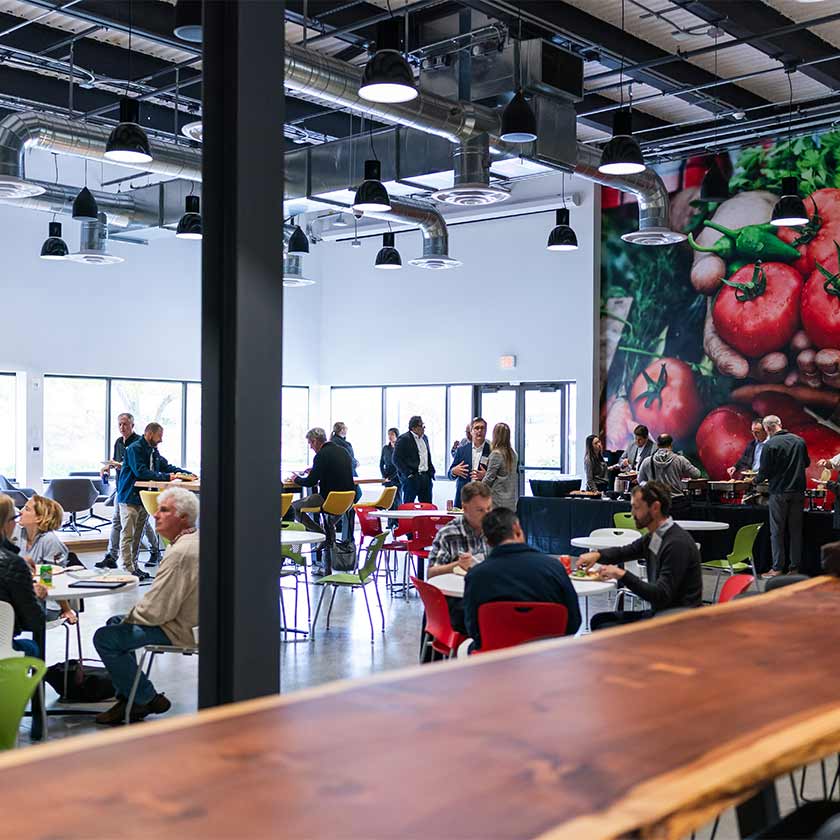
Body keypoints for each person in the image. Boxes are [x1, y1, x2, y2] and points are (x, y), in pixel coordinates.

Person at [93, 487, 199, 725]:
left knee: (105, 638)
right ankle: (129, 698)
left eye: (164, 510)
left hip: (180, 628)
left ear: (183, 518)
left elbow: (159, 607)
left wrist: (130, 617)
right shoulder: (189, 541)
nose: (155, 515)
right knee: (114, 624)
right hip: (186, 620)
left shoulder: (180, 552)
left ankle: (143, 697)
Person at [578, 481, 703, 630]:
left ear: (655, 507)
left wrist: (621, 574)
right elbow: (625, 551)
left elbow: (661, 595)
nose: (632, 513)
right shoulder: (657, 536)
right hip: (663, 613)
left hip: (677, 621)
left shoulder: (676, 544)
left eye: (636, 507)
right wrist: (597, 555)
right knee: (601, 621)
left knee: (605, 625)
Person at [463, 507, 581, 651]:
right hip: (549, 658)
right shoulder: (554, 568)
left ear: (487, 541)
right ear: (517, 529)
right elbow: (574, 622)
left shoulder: (476, 576)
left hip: (495, 659)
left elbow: (473, 628)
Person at [117, 422, 192, 582]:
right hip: (130, 497)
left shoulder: (153, 451)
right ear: (150, 434)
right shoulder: (134, 449)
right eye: (159, 436)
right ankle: (126, 569)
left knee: (138, 535)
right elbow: (141, 472)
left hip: (142, 497)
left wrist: (186, 474)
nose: (161, 440)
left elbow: (166, 466)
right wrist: (167, 477)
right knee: (128, 534)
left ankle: (134, 567)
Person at [97, 413, 162, 570]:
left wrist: (122, 465)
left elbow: (139, 468)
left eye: (125, 424)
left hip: (136, 490)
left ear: (132, 425)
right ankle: (112, 556)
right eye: (119, 424)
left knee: (140, 525)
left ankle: (153, 551)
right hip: (121, 487)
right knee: (119, 523)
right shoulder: (119, 442)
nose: (122, 427)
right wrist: (108, 467)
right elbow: (119, 463)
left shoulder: (139, 444)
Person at [427, 482, 493, 636]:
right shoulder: (448, 534)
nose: (486, 515)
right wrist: (455, 565)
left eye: (489, 509)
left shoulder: (495, 531)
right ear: (465, 508)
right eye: (480, 510)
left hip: (487, 596)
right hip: (457, 603)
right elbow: (430, 573)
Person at [754, 415, 809, 578]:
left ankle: (777, 568)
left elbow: (763, 472)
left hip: (779, 492)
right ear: (780, 424)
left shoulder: (770, 444)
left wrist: (753, 480)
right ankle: (794, 569)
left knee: (777, 532)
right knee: (796, 531)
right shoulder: (799, 441)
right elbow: (806, 463)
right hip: (798, 492)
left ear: (767, 429)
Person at [15, 494, 78, 626]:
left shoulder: (50, 542)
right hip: (22, 595)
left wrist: (66, 609)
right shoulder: (18, 533)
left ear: (39, 518)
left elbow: (49, 581)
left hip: (46, 602)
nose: (20, 511)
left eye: (26, 509)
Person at [0, 493, 46, 659]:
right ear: (6, 523)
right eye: (15, 517)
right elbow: (34, 621)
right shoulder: (12, 564)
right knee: (31, 648)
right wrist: (36, 595)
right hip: (4, 650)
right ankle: (30, 685)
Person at [289, 427, 355, 535]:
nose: (310, 447)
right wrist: (316, 469)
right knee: (330, 520)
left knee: (292, 508)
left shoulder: (321, 455)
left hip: (328, 499)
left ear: (315, 441)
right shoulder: (343, 451)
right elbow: (336, 469)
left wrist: (296, 479)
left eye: (310, 443)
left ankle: (320, 533)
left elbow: (310, 482)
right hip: (347, 500)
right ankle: (329, 534)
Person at [637, 433, 700, 512]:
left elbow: (640, 481)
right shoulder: (680, 460)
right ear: (671, 445)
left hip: (657, 503)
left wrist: (651, 486)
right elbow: (696, 474)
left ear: (657, 445)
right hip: (677, 503)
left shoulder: (647, 461)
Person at [393, 416, 436, 504]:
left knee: (427, 505)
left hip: (425, 477)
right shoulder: (404, 439)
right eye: (421, 426)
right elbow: (396, 459)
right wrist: (408, 474)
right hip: (412, 477)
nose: (424, 428)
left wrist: (431, 473)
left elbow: (427, 456)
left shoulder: (425, 438)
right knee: (408, 505)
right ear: (414, 428)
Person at [448, 417, 490, 508]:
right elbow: (449, 475)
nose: (479, 431)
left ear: (486, 431)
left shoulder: (492, 451)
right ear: (471, 431)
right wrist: (453, 471)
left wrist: (487, 475)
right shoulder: (461, 450)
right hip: (463, 498)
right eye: (476, 428)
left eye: (482, 428)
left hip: (483, 498)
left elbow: (498, 477)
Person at [483, 422, 519, 510]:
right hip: (510, 503)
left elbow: (489, 479)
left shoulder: (496, 454)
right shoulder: (513, 454)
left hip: (496, 503)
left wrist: (476, 489)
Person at [331, 422, 362, 504]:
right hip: (347, 474)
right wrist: (355, 463)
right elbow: (345, 458)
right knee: (354, 495)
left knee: (353, 496)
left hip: (347, 473)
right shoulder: (339, 443)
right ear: (342, 430)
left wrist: (355, 461)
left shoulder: (335, 441)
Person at [379, 427, 402, 508]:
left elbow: (400, 466)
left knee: (397, 500)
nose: (390, 436)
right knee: (389, 501)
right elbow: (381, 463)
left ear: (397, 435)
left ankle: (396, 520)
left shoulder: (400, 448)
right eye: (389, 434)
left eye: (392, 434)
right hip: (387, 477)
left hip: (397, 478)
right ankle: (391, 521)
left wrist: (391, 477)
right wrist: (384, 476)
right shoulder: (385, 448)